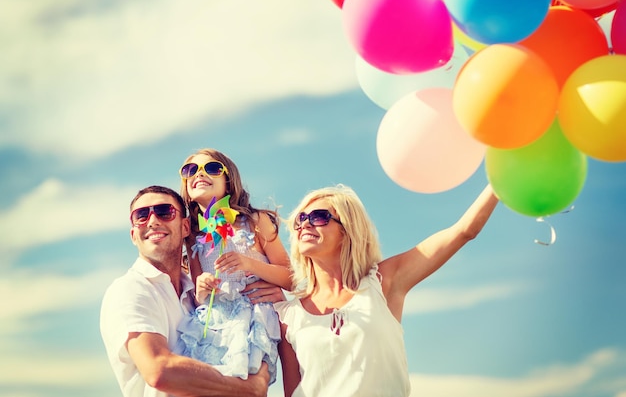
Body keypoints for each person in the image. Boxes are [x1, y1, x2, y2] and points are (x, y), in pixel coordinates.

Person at [274, 183, 499, 397]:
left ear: (347, 230)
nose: (305, 224)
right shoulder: (288, 317)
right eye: (301, 218)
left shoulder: (383, 283)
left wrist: (500, 179)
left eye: (318, 217)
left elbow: (463, 231)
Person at [100, 185, 270, 397]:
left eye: (164, 212)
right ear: (133, 235)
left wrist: (270, 295)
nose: (152, 221)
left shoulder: (197, 294)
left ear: (186, 227)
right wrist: (249, 388)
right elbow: (159, 370)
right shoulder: (130, 288)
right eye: (141, 215)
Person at [176, 148, 292, 385]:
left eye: (211, 168)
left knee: (247, 383)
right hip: (216, 324)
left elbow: (291, 277)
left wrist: (250, 264)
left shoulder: (255, 222)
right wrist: (202, 289)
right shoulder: (194, 236)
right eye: (191, 171)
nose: (199, 174)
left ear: (228, 183)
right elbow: (200, 298)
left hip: (253, 320)